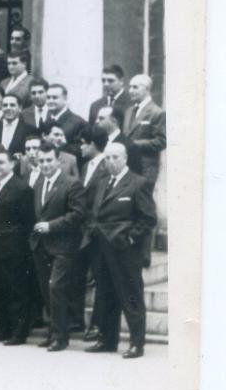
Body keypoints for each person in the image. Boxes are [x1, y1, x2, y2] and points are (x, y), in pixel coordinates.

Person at [85, 142, 157, 359]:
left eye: (115, 157)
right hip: (101, 247)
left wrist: (130, 238)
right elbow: (94, 212)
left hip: (125, 249)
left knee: (131, 295)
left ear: (125, 158)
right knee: (105, 294)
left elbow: (148, 218)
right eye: (107, 158)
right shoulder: (102, 182)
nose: (111, 162)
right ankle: (107, 340)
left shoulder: (138, 183)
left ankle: (137, 343)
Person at [30, 143, 86, 352]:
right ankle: (53, 332)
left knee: (56, 288)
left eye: (48, 160)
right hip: (41, 246)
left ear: (58, 161)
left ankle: (61, 337)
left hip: (63, 246)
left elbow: (78, 215)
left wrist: (51, 226)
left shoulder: (72, 184)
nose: (45, 164)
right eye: (41, 161)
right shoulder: (38, 184)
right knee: (46, 290)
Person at [0, 148, 37, 345]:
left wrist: (17, 247)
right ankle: (3, 328)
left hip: (13, 250)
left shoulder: (22, 189)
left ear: (11, 164)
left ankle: (18, 333)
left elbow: (27, 222)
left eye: (0, 162)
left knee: (16, 292)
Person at [123, 74, 167, 187]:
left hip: (145, 168)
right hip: (128, 166)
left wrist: (135, 144)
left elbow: (162, 141)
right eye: (130, 87)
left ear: (147, 89)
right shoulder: (129, 111)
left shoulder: (157, 113)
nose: (130, 91)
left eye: (135, 87)